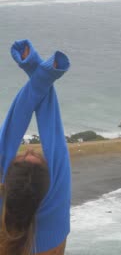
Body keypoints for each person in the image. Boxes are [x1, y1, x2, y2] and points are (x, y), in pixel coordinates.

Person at [0, 40, 71, 254]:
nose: (29, 149)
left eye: (21, 156)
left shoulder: (56, 204)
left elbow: (11, 133)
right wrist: (38, 73)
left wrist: (42, 74)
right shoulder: (52, 216)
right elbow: (51, 133)